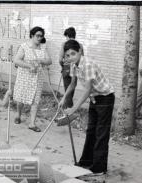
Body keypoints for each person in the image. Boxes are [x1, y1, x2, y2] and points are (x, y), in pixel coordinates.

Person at [59, 40, 115, 175]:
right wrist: (64, 98)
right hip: (95, 99)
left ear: (80, 51)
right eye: (67, 55)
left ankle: (99, 168)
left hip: (105, 98)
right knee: (91, 131)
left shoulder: (88, 64)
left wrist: (73, 109)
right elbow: (72, 84)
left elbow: (87, 90)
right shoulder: (74, 65)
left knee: (101, 133)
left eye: (73, 53)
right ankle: (86, 161)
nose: (71, 57)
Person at [13, 26, 52, 132]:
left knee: (35, 101)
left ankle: (32, 123)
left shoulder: (43, 48)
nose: (39, 38)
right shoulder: (24, 46)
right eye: (37, 35)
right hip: (24, 77)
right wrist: (29, 66)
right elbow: (16, 60)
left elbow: (49, 61)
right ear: (32, 35)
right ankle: (18, 114)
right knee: (21, 99)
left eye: (41, 36)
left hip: (37, 79)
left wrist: (41, 61)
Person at [59, 27, 84, 108]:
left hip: (66, 67)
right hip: (76, 67)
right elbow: (82, 58)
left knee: (67, 87)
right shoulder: (79, 45)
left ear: (67, 35)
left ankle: (68, 108)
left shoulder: (64, 44)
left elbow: (60, 59)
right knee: (72, 87)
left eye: (66, 36)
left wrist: (62, 65)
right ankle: (68, 107)